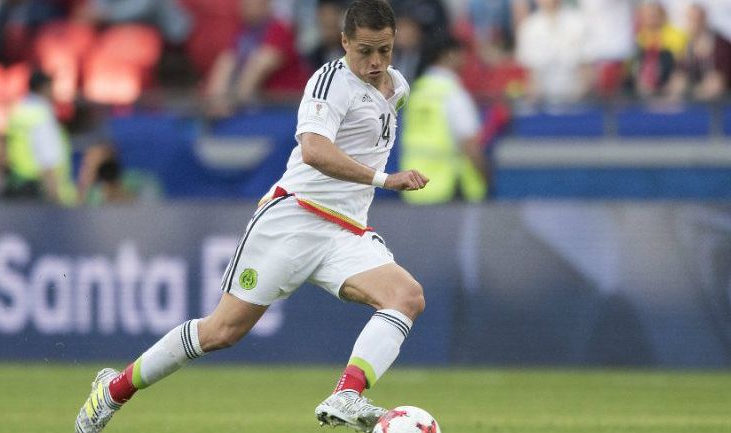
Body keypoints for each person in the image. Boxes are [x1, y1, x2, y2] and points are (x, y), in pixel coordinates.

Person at [74, 1, 429, 433]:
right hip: (294, 219)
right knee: (221, 332)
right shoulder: (329, 83)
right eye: (364, 51)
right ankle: (113, 390)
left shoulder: (398, 88)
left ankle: (346, 393)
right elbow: (315, 151)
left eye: (385, 51)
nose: (375, 63)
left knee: (406, 297)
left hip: (346, 231)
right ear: (343, 43)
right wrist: (383, 179)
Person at [400, 33, 488, 204]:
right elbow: (470, 145)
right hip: (448, 188)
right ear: (449, 55)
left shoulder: (416, 92)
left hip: (413, 189)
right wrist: (486, 178)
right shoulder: (453, 94)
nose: (464, 59)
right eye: (461, 53)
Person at [203, 0, 312, 117]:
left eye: (250, 2)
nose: (244, 6)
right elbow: (225, 65)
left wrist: (230, 106)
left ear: (265, 3)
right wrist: (214, 103)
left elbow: (255, 72)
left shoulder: (279, 29)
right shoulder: (242, 33)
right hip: (258, 108)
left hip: (288, 108)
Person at [5, 69, 76, 205]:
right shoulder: (41, 115)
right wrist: (56, 199)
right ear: (44, 88)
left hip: (21, 185)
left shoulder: (19, 110)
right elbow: (47, 160)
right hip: (42, 191)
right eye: (51, 87)